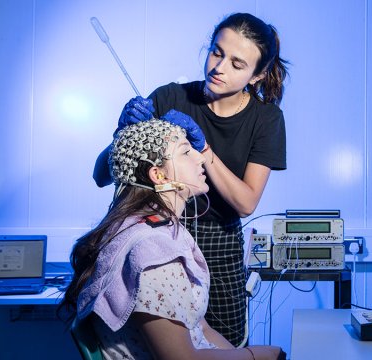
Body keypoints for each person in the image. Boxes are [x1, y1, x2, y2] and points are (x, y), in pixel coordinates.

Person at [92, 12, 288, 346]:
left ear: (257, 75)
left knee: (225, 341)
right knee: (159, 346)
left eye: (237, 64)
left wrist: (204, 149)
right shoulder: (170, 97)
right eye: (216, 52)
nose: (219, 67)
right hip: (157, 234)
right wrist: (121, 131)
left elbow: (245, 202)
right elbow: (101, 175)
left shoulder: (265, 119)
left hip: (218, 242)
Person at [61, 117, 284, 359]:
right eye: (186, 152)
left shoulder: (150, 228)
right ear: (159, 176)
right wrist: (256, 355)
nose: (200, 157)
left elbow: (201, 328)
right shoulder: (152, 253)